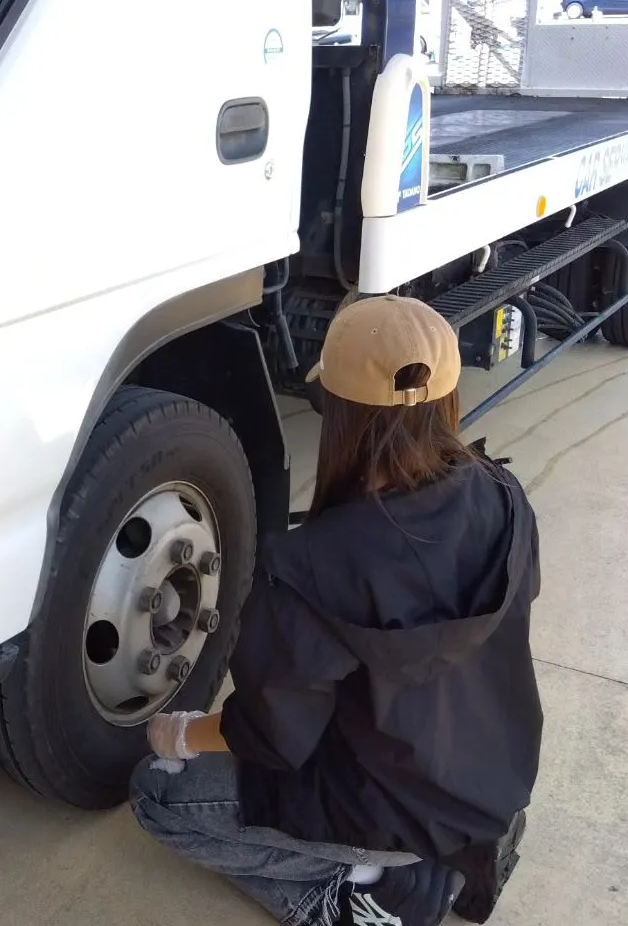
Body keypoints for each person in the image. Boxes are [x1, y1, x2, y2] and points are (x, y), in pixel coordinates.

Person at [129, 295, 543, 926]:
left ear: (339, 411)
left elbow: (271, 737)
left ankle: (368, 894)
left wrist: (180, 732)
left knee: (157, 793)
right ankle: (436, 860)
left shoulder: (314, 564)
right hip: (490, 780)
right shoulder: (504, 497)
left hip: (383, 804)